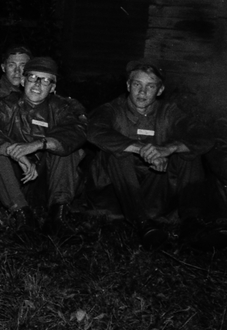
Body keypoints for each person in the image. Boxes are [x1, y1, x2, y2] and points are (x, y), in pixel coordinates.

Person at [86, 59, 212, 246]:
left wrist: (168, 148)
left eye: (150, 86)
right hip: (117, 191)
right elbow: (94, 130)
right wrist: (140, 148)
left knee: (188, 151)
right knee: (117, 152)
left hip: (155, 188)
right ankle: (141, 222)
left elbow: (203, 136)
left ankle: (191, 222)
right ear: (128, 86)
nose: (142, 92)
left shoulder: (169, 112)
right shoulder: (112, 109)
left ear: (160, 90)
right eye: (137, 84)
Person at [0, 56, 87, 230]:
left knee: (67, 148)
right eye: (32, 77)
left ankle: (58, 215)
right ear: (23, 81)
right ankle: (22, 215)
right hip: (10, 180)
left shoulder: (61, 108)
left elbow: (77, 131)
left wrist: (39, 144)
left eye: (45, 80)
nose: (37, 84)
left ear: (53, 88)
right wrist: (14, 151)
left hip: (44, 182)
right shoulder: (6, 105)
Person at [0, 45, 32, 112]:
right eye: (11, 65)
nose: (17, 71)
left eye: (22, 65)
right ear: (3, 68)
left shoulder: (27, 90)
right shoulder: (1, 96)